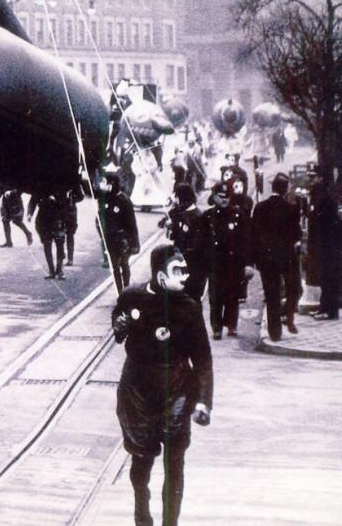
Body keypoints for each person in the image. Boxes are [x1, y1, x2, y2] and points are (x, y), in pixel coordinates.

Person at [113, 244, 213, 526]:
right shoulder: (131, 297)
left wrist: (204, 400)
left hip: (177, 393)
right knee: (141, 461)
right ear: (159, 276)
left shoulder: (190, 308)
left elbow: (203, 359)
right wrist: (119, 327)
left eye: (184, 270)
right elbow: (118, 326)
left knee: (174, 463)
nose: (184, 276)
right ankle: (142, 516)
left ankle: (171, 522)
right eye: (177, 271)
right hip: (137, 393)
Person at [251, 172, 302, 341]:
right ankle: (288, 317)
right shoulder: (290, 209)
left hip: (266, 259)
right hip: (286, 258)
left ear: (272, 188)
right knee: (292, 288)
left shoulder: (260, 207)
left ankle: (275, 332)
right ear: (285, 189)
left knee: (271, 294)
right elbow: (297, 234)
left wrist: (255, 259)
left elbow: (254, 235)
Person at [205, 182, 251, 339]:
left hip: (234, 263)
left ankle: (232, 325)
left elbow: (247, 241)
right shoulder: (208, 217)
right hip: (215, 264)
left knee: (232, 296)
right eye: (220, 197)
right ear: (214, 197)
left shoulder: (239, 215)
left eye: (227, 197)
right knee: (215, 297)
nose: (224, 200)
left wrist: (248, 264)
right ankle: (216, 328)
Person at [161, 183, 210, 300]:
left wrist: (181, 254)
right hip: (180, 266)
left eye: (177, 198)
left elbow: (198, 246)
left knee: (193, 301)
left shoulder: (199, 217)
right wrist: (169, 227)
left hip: (194, 268)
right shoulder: (179, 214)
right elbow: (172, 237)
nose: (176, 202)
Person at [96, 170, 140, 293]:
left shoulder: (124, 201)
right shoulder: (104, 200)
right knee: (114, 267)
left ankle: (126, 290)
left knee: (124, 265)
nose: (102, 185)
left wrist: (134, 243)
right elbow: (99, 220)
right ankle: (119, 291)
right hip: (109, 240)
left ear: (112, 184)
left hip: (123, 240)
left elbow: (132, 224)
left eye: (104, 182)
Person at [309, 181, 341, 321]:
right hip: (329, 247)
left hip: (329, 247)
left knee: (328, 279)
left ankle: (329, 310)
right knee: (327, 279)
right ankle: (325, 308)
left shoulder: (324, 204)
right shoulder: (328, 202)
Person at [30, 191, 69, 279]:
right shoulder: (40, 184)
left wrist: (59, 199)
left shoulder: (62, 184)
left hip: (59, 219)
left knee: (60, 245)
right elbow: (33, 200)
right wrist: (30, 213)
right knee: (47, 245)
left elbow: (75, 198)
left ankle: (59, 271)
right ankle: (51, 271)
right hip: (44, 220)